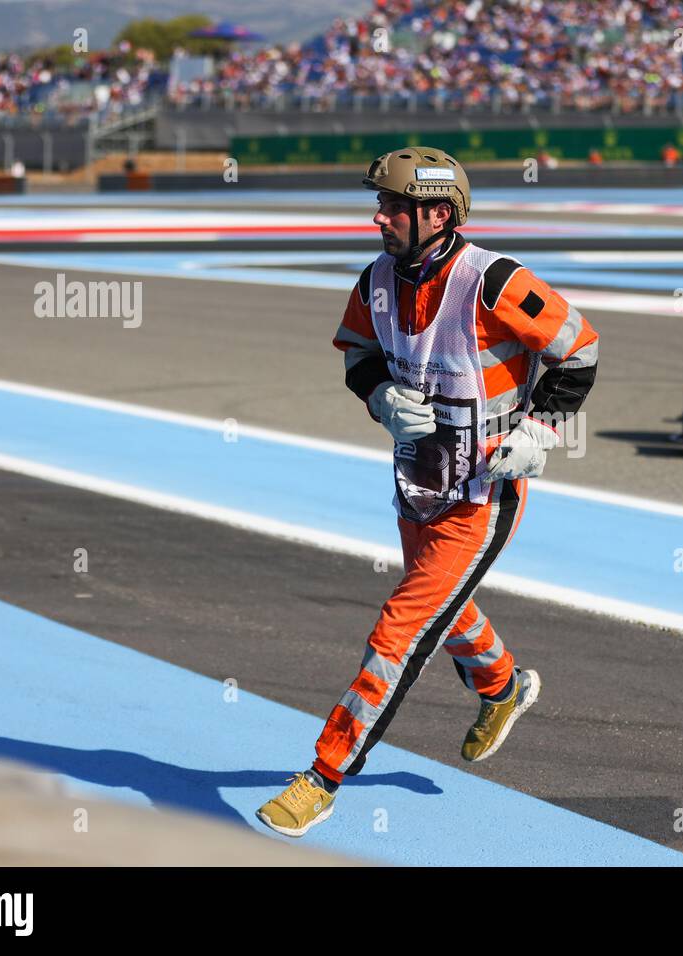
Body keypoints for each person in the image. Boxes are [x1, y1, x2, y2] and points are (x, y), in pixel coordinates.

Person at [256, 146, 599, 837]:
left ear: (438, 213)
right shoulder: (378, 279)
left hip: (483, 493)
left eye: (391, 206)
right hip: (417, 480)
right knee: (444, 601)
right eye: (379, 203)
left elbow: (580, 348)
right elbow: (359, 353)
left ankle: (322, 776)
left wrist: (541, 429)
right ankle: (502, 688)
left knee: (399, 633)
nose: (378, 216)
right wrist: (381, 394)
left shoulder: (495, 281)